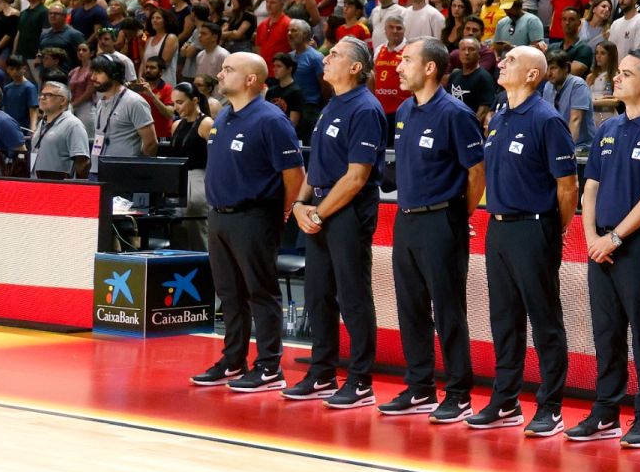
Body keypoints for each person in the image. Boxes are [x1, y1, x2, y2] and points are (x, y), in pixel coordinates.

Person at [472, 44, 579, 436]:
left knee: (544, 321)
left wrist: (552, 230)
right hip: (498, 227)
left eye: (511, 60)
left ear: (533, 75)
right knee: (504, 319)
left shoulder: (547, 120)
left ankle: (550, 406)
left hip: (534, 228)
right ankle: (505, 401)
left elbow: (568, 188)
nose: (501, 63)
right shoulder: (499, 115)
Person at [571, 49, 640, 446]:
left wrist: (614, 238)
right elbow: (590, 186)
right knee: (606, 333)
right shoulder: (609, 128)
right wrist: (593, 238)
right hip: (602, 246)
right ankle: (606, 412)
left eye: (626, 73)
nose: (615, 78)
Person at [382, 38, 486, 423]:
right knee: (410, 309)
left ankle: (458, 392)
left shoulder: (456, 114)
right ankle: (420, 386)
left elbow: (477, 172)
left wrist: (460, 214)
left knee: (448, 311)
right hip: (406, 219)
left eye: (406, 60)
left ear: (429, 68)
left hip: (442, 220)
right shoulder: (405, 109)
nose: (398, 67)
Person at [283, 36, 388, 409]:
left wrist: (317, 211)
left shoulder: (365, 108)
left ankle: (360, 381)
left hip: (348, 210)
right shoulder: (330, 106)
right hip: (321, 207)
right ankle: (322, 371)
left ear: (356, 68)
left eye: (334, 55)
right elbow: (316, 167)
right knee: (318, 295)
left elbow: (356, 176)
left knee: (353, 296)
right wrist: (299, 204)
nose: (325, 59)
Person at [189, 53, 304, 392]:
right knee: (229, 293)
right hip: (220, 216)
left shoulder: (271, 119)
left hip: (254, 216)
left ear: (251, 79)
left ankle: (269, 366)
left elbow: (294, 175)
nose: (220, 75)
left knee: (260, 292)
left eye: (228, 70)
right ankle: (233, 359)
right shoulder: (224, 115)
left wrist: (280, 213)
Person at [86, 54, 157, 172]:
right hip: (97, 171)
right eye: (93, 73)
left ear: (114, 74)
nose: (93, 77)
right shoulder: (101, 102)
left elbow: (151, 144)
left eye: (98, 73)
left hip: (124, 175)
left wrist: (139, 171)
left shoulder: (134, 102)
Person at [28, 81, 90, 178]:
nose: (41, 97)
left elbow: (82, 162)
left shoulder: (73, 125)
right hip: (38, 186)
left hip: (60, 188)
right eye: (41, 94)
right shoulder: (42, 123)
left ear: (63, 101)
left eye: (48, 95)